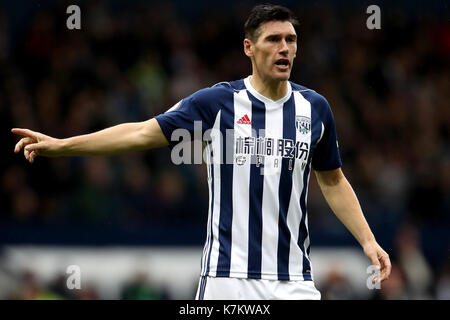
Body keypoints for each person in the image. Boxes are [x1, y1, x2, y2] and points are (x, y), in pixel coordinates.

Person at [11, 4, 391, 300]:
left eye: (291, 40)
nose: (285, 48)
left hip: (294, 279)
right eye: (273, 39)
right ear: (249, 47)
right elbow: (142, 133)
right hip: (227, 278)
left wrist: (368, 240)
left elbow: (333, 180)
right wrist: (63, 146)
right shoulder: (217, 102)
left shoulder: (315, 109)